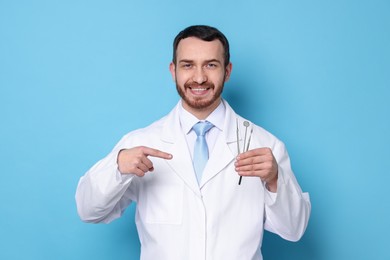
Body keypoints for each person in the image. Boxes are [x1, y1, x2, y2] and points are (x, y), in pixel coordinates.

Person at [75, 25, 311, 260]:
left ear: (227, 71)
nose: (199, 78)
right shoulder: (141, 142)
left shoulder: (264, 145)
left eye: (211, 65)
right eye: (188, 65)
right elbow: (89, 210)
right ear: (173, 70)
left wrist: (274, 179)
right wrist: (117, 167)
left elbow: (293, 229)